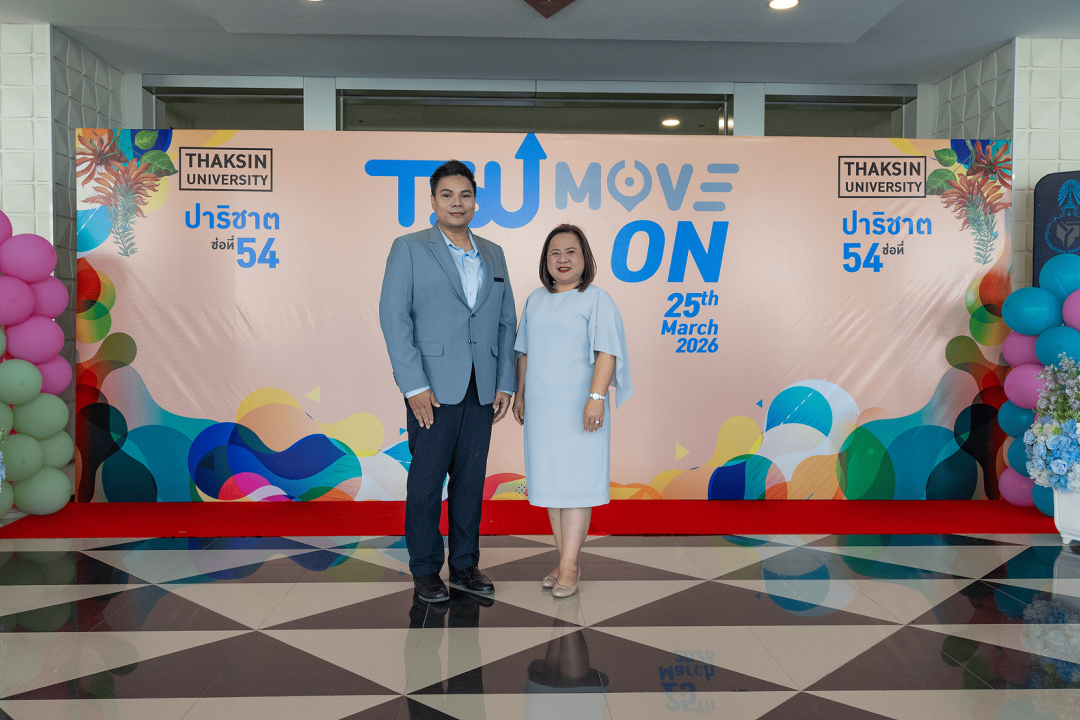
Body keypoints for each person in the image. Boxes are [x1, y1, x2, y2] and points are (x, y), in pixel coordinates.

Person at [379, 160, 517, 603]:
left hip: (482, 386)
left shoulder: (493, 252)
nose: (457, 203)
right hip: (432, 390)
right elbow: (394, 317)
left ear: (475, 202)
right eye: (447, 195)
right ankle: (424, 568)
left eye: (465, 195)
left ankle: (465, 564)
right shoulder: (409, 248)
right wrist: (413, 385)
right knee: (425, 482)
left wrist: (505, 381)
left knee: (470, 482)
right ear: (433, 200)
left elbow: (506, 322)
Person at [512, 224, 632, 598]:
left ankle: (569, 566)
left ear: (585, 258)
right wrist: (520, 394)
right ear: (545, 260)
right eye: (555, 253)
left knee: (577, 485)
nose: (562, 259)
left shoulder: (596, 299)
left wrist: (596, 397)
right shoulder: (534, 300)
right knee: (551, 485)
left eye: (571, 252)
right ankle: (565, 557)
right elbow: (523, 352)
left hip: (582, 408)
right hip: (543, 409)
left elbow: (607, 352)